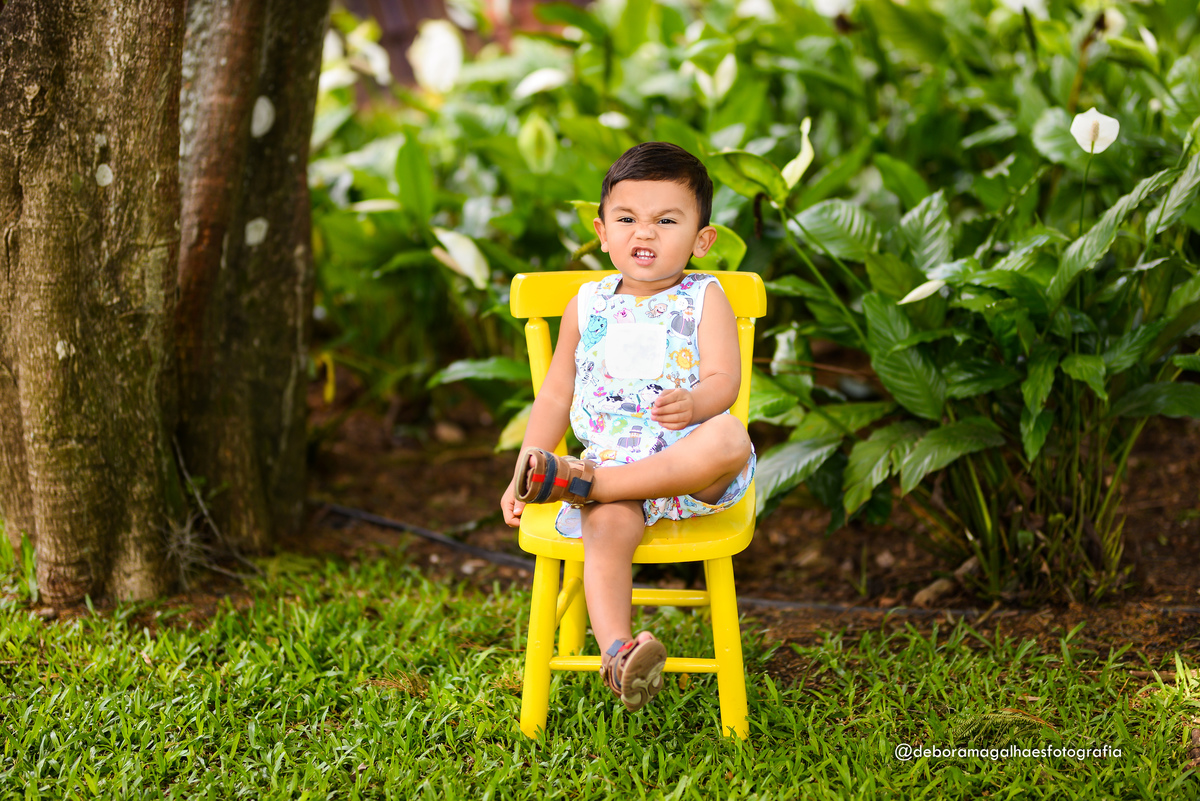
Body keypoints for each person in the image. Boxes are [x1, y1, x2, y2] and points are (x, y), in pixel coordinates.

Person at [499, 142, 756, 713]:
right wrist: (525, 469)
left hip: (690, 465)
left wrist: (694, 403)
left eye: (667, 220)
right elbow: (555, 395)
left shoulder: (703, 295)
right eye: (627, 218)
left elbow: (725, 382)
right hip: (612, 460)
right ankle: (620, 653)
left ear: (700, 240)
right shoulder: (585, 304)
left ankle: (589, 486)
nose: (646, 232)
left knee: (731, 437)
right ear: (602, 231)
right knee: (606, 531)